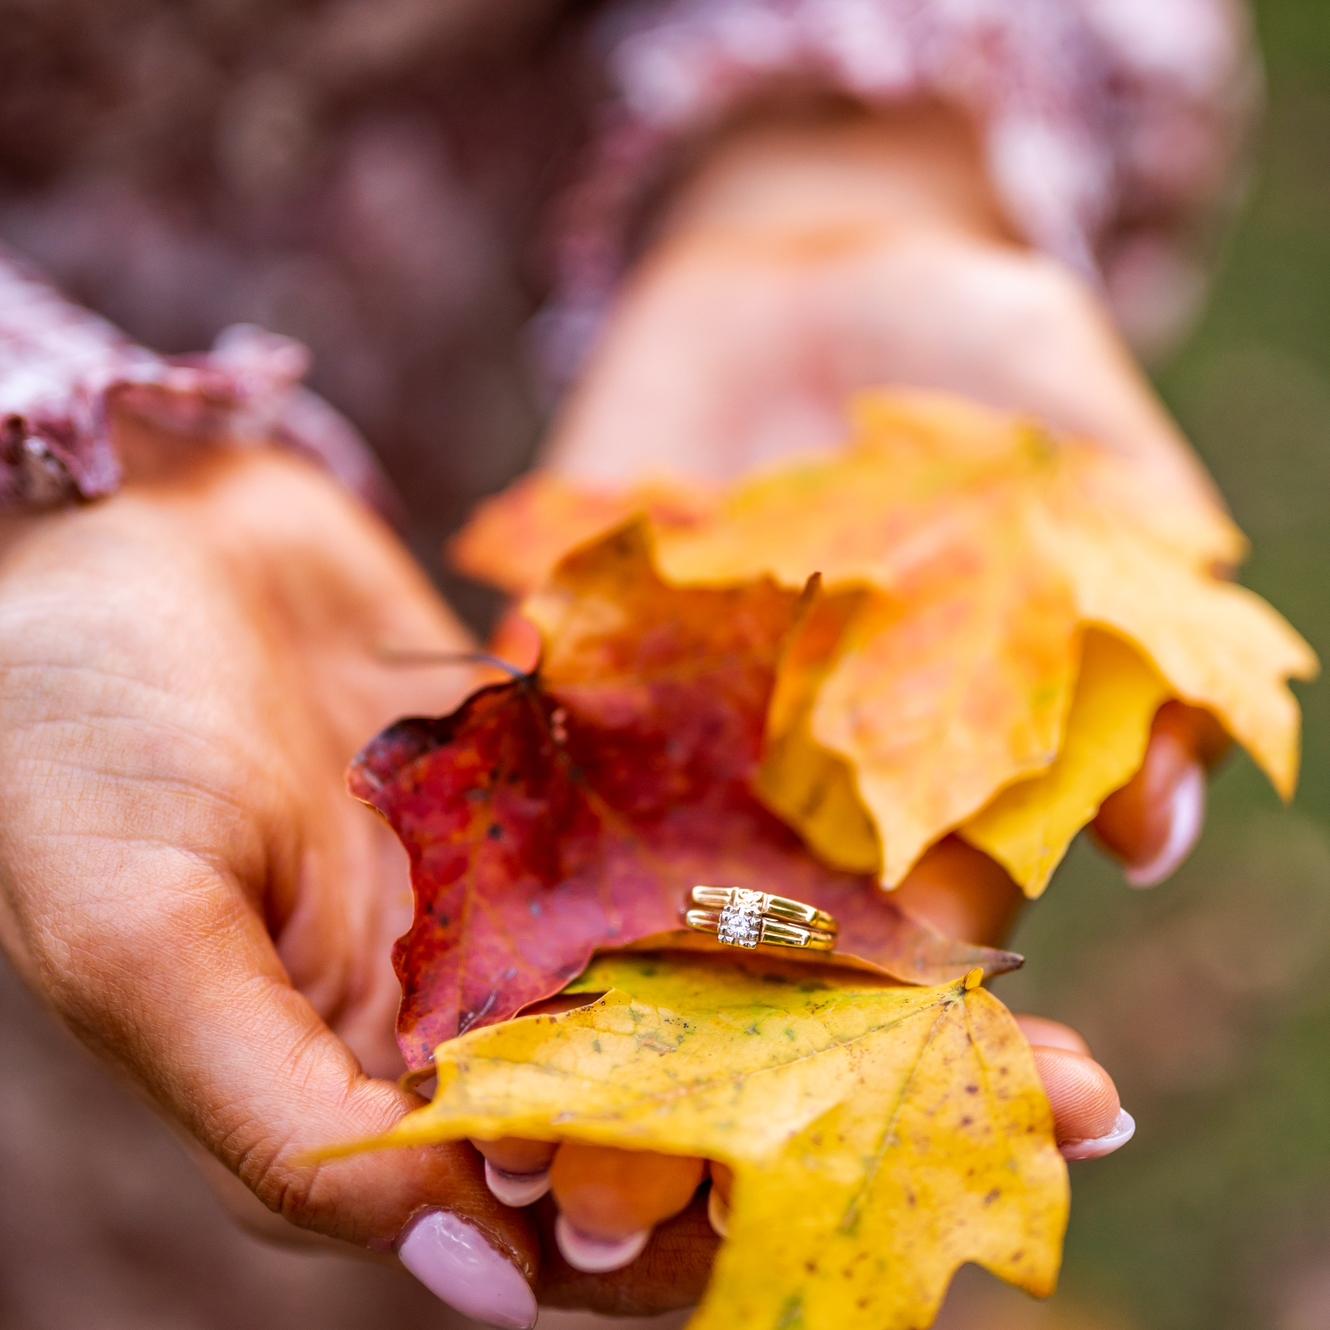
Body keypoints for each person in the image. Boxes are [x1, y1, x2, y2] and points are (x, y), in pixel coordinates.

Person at [0, 2, 1254, 1326]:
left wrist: (846, 155)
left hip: (601, 397)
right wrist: (43, 474)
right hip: (155, 702)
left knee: (752, 1168)